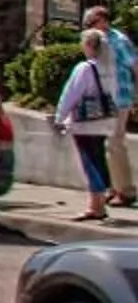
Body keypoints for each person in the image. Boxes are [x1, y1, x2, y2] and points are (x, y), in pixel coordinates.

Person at [54, 25, 120, 223]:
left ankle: (95, 205)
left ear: (90, 45)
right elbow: (114, 94)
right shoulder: (109, 68)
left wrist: (60, 116)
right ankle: (98, 204)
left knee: (89, 162)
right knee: (98, 159)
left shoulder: (85, 68)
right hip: (104, 121)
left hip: (84, 122)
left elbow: (71, 94)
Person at [96, 6, 138, 206]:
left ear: (104, 21)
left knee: (115, 142)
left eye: (93, 22)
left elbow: (135, 65)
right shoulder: (99, 42)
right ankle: (114, 188)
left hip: (121, 97)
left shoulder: (118, 41)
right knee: (108, 145)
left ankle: (126, 191)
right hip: (106, 98)